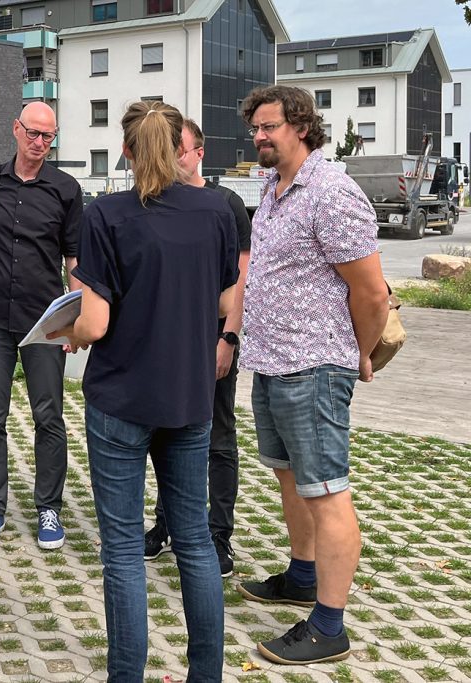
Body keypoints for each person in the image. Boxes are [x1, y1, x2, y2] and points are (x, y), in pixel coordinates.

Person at [55, 100, 238, 682]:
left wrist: (68, 330)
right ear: (179, 146)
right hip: (189, 398)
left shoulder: (105, 214)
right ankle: (205, 673)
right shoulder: (216, 211)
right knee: (195, 542)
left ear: (128, 150)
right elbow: (220, 295)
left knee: (123, 552)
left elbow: (96, 323)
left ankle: (126, 675)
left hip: (122, 400)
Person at [236, 85, 388, 666]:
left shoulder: (331, 192)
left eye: (268, 127)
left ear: (301, 126)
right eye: (255, 128)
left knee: (326, 491)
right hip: (272, 361)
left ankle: (329, 625)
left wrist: (359, 353)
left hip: (315, 366)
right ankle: (302, 576)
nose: (259, 136)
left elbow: (371, 292)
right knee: (290, 478)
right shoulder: (274, 188)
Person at [0, 102, 83, 551]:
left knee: (49, 416)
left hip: (43, 320)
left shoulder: (66, 190)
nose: (39, 142)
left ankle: (49, 508)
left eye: (48, 136)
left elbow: (73, 260)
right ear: (16, 129)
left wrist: (72, 319)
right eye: (33, 133)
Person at [144, 118, 251, 577]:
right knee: (166, 433)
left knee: (218, 437)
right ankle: (164, 524)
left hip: (212, 338)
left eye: (181, 150)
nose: (175, 158)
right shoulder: (157, 202)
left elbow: (240, 280)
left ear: (200, 152)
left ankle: (218, 535)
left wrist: (227, 337)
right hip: (168, 342)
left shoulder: (225, 205)